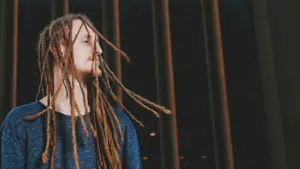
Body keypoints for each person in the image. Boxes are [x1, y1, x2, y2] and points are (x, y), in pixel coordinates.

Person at [0, 13, 170, 169]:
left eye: (97, 42)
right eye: (86, 41)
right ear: (58, 48)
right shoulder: (20, 123)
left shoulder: (118, 124)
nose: (99, 50)